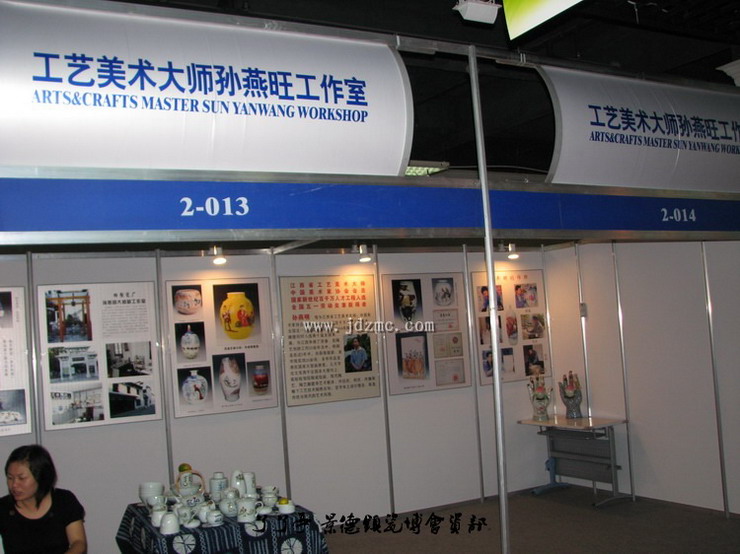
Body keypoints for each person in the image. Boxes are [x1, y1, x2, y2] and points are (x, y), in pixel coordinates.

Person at [0, 444, 87, 554]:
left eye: (21, 478)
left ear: (41, 476)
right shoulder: (3, 508)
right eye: (10, 478)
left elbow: (78, 542)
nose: (14, 485)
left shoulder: (64, 500)